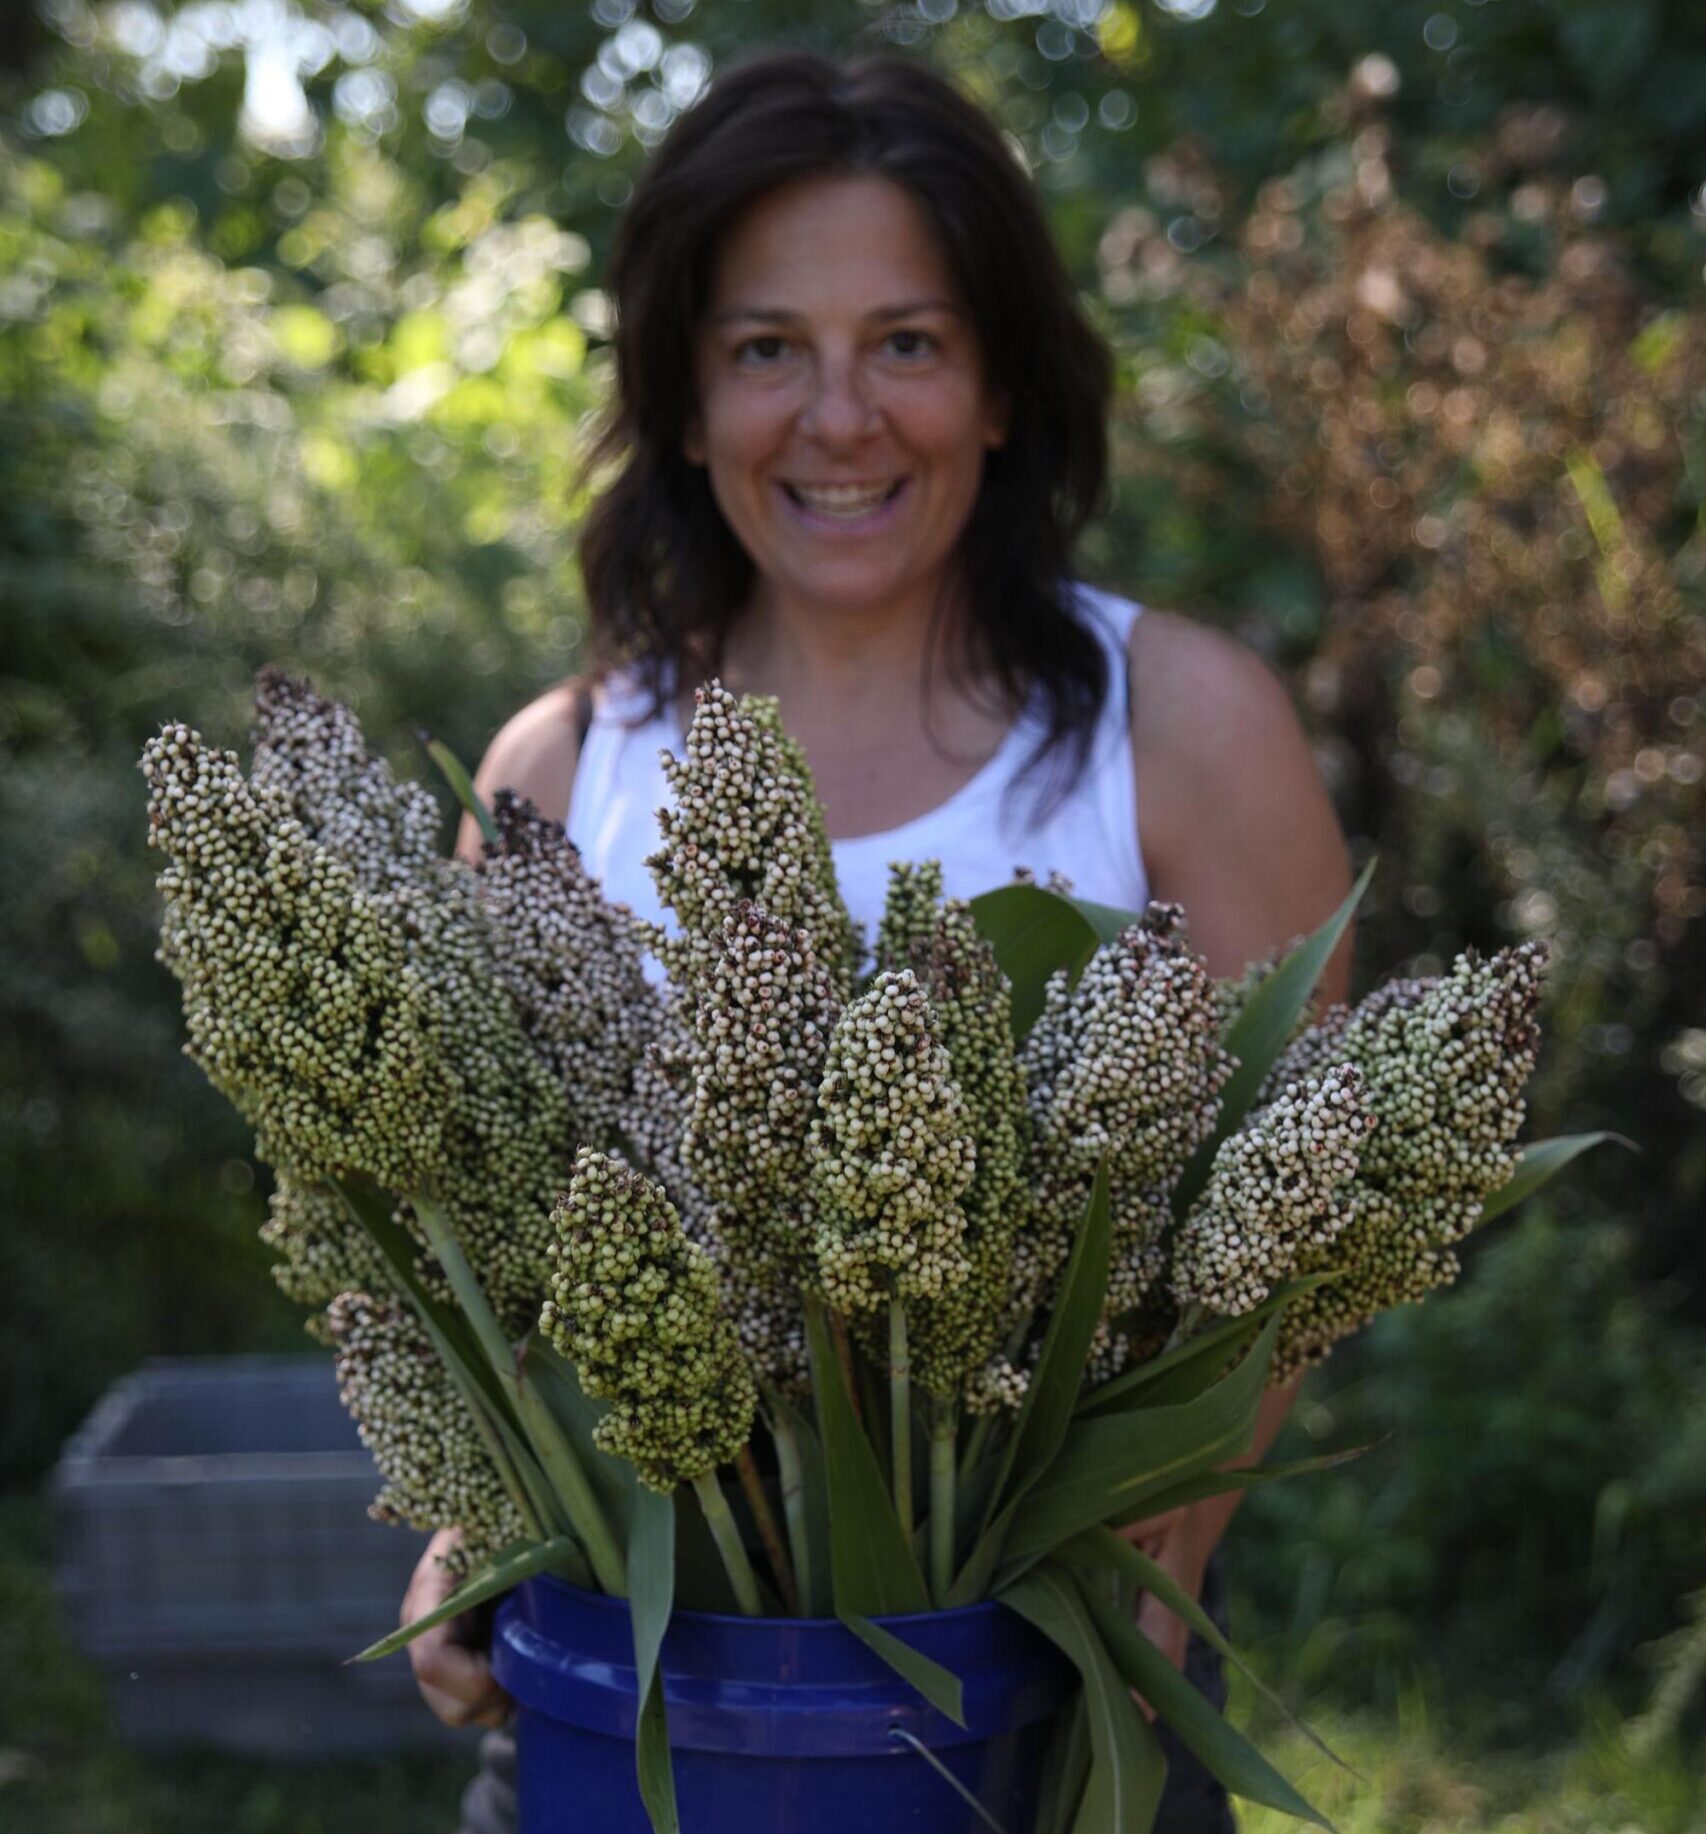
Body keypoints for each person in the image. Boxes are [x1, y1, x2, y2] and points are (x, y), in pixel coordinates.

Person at [404, 47, 1354, 1834]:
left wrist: (1170, 1543)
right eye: (767, 348)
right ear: (682, 402)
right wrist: (471, 1537)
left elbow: (1308, 1213)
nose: (839, 418)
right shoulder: (560, 771)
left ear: (1001, 385)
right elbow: (485, 1250)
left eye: (905, 342)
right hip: (643, 1713)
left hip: (1042, 1706)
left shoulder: (1181, 727)